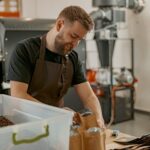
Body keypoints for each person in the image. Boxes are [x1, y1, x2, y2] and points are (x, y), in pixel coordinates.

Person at [7, 6, 105, 128]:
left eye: (80, 40)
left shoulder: (72, 58)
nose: (75, 44)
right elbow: (18, 96)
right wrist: (57, 114)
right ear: (59, 25)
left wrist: (98, 118)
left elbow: (89, 96)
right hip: (25, 124)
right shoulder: (25, 50)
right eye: (74, 36)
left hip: (57, 126)